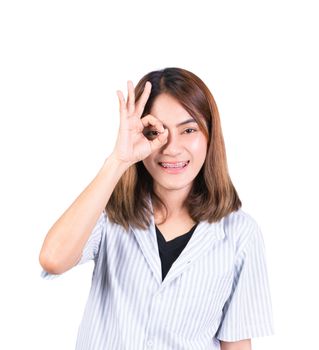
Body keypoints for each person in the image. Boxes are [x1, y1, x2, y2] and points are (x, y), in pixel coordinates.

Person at [39, 67, 274, 350]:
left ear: (210, 136)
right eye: (155, 131)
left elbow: (236, 343)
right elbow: (53, 258)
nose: (171, 148)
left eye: (188, 130)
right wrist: (118, 161)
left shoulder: (240, 233)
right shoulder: (108, 211)